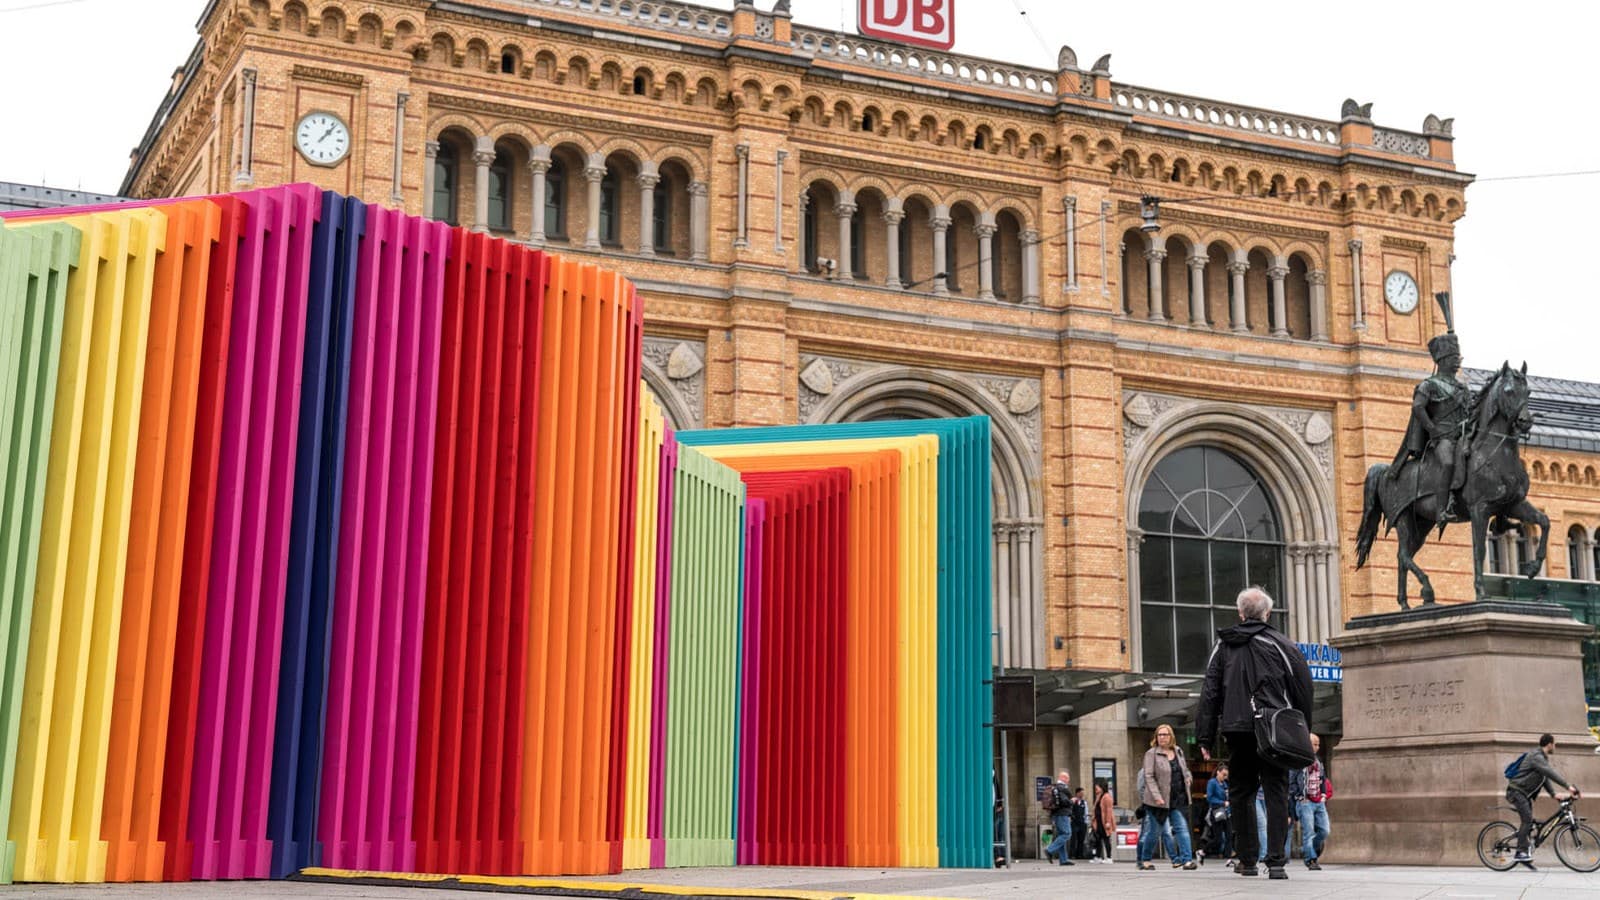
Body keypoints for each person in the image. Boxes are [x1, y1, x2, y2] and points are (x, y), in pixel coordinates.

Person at [1196, 586, 1314, 881]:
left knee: (1241, 792)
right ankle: (1276, 863)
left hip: (1238, 728)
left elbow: (1209, 691)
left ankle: (1247, 860)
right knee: (1276, 791)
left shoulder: (1223, 646)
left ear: (1240, 613)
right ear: (1267, 613)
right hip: (1274, 728)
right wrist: (1303, 729)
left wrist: (1204, 737)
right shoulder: (1283, 644)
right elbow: (1303, 688)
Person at [1387, 331, 1471, 521]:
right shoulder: (1429, 385)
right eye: (1453, 358)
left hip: (1462, 436)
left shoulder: (1462, 388)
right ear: (1442, 360)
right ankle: (1442, 509)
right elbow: (1418, 407)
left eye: (1459, 358)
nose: (1458, 362)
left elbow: (1469, 412)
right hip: (1443, 438)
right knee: (1448, 463)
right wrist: (1432, 429)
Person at [1506, 733, 1583, 869]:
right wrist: (1568, 787)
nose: (1555, 746)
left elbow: (1544, 777)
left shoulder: (1541, 758)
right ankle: (1520, 853)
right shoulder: (1537, 756)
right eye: (1555, 744)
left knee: (1530, 822)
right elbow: (1549, 772)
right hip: (1516, 792)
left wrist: (1553, 794)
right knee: (1527, 820)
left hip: (1523, 794)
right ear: (1549, 744)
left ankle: (1526, 851)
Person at [1139, 723, 1198, 870]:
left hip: (1177, 797)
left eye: (1165, 734)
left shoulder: (1178, 751)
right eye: (1159, 735)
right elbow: (1149, 776)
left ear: (1171, 736)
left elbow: (1185, 770)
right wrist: (1157, 796)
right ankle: (1145, 860)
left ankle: (1187, 860)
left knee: (1182, 828)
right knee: (1154, 832)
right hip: (1157, 801)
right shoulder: (1151, 754)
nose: (1162, 737)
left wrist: (1189, 777)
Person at [1298, 734, 1332, 869]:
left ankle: (1312, 850)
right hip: (1306, 801)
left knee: (1324, 830)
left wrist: (1323, 794)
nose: (1317, 747)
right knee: (1309, 832)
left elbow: (1322, 778)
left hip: (1319, 800)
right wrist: (1299, 796)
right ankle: (1310, 859)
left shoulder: (1318, 761)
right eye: (1314, 744)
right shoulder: (1299, 760)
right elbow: (1293, 779)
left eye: (1318, 744)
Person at [1042, 770, 1074, 866]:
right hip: (1062, 814)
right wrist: (1072, 801)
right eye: (1067, 778)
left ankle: (1063, 860)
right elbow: (1064, 802)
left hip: (1056, 814)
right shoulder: (1062, 788)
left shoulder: (1055, 787)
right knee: (1066, 834)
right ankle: (1049, 850)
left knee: (1061, 835)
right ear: (1063, 778)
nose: (1068, 780)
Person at [1206, 764, 1233, 861]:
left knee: (1229, 835)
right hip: (1217, 812)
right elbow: (1209, 798)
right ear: (1218, 772)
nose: (1225, 777)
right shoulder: (1212, 783)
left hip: (1226, 812)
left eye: (1226, 775)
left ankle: (1228, 856)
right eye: (1223, 774)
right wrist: (1222, 803)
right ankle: (1204, 850)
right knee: (1218, 839)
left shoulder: (1225, 784)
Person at [1092, 779, 1116, 863]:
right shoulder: (1099, 796)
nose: (1096, 789)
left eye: (1097, 787)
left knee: (1106, 839)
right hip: (1098, 821)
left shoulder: (1107, 797)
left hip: (1104, 822)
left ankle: (1109, 858)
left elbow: (1109, 810)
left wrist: (1108, 822)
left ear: (1102, 787)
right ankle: (1098, 857)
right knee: (1098, 839)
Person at [1069, 787, 1090, 859]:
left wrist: (1086, 822)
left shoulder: (1084, 802)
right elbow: (1070, 810)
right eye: (1081, 793)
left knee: (1081, 839)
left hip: (1082, 823)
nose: (1082, 794)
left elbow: (1086, 812)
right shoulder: (1073, 801)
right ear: (1077, 793)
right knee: (1073, 839)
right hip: (1074, 823)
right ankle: (1072, 854)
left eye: (1083, 793)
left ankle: (1080, 854)